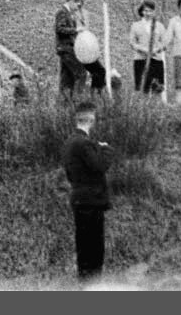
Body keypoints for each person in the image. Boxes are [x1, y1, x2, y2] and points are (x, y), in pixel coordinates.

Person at [62, 100, 115, 279]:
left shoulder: (69, 142)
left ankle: (85, 285)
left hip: (78, 198)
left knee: (83, 248)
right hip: (92, 201)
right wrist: (106, 149)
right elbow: (99, 166)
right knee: (95, 249)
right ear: (91, 120)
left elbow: (71, 172)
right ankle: (94, 286)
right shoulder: (84, 143)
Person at [129, 1, 169, 95]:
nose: (148, 13)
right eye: (145, 11)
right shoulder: (135, 26)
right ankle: (143, 107)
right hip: (141, 59)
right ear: (142, 12)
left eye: (150, 11)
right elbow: (132, 42)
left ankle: (156, 107)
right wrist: (143, 50)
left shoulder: (159, 26)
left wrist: (156, 50)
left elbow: (165, 42)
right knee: (142, 86)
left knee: (157, 87)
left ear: (154, 12)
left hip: (156, 59)